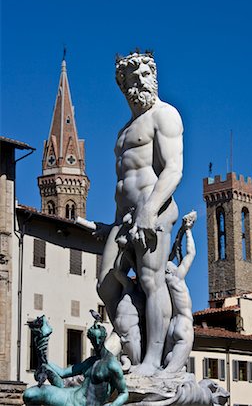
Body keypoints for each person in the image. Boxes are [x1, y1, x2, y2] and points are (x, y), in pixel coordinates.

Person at [97, 51, 183, 376]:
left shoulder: (165, 115)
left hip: (154, 209)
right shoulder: (124, 131)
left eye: (144, 77)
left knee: (151, 280)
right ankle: (133, 348)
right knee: (105, 286)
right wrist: (113, 224)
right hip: (123, 219)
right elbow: (124, 181)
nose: (139, 84)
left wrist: (148, 210)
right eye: (132, 81)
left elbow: (173, 169)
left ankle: (152, 360)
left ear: (154, 78)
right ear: (124, 87)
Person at [23, 322, 128, 406]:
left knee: (32, 395)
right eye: (93, 339)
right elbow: (63, 372)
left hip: (82, 403)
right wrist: (44, 359)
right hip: (70, 395)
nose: (96, 342)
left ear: (104, 337)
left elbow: (124, 393)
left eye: (99, 338)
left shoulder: (112, 365)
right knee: (29, 395)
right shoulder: (91, 361)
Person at [163, 212, 197, 375]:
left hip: (171, 326)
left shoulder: (164, 282)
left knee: (167, 365)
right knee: (172, 371)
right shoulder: (177, 277)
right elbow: (191, 254)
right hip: (183, 323)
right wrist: (188, 231)